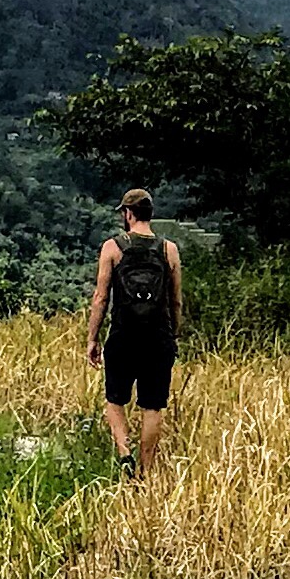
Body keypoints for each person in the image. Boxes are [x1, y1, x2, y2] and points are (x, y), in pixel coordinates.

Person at [84, 186, 185, 481]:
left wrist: (92, 338)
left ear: (128, 214)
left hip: (123, 336)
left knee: (115, 401)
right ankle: (146, 473)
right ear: (149, 214)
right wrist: (173, 334)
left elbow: (101, 298)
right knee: (152, 406)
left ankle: (124, 454)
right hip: (158, 337)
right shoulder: (169, 250)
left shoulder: (113, 248)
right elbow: (176, 299)